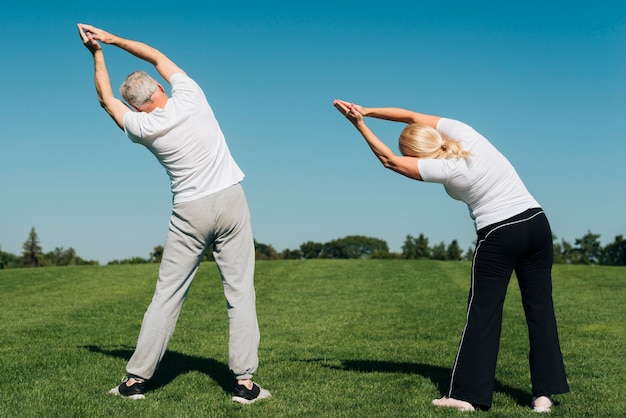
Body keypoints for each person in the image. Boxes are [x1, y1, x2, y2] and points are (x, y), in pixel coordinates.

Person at [333, 99, 569, 412]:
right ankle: (544, 395)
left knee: (483, 313)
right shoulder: (464, 133)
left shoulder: (443, 168)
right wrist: (368, 110)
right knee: (540, 309)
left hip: (499, 234)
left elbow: (389, 161)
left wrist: (359, 124)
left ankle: (467, 395)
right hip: (537, 222)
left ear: (416, 154)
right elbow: (412, 115)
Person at [77, 23, 270, 404]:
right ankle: (245, 385)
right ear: (160, 89)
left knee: (167, 296)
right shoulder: (191, 96)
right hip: (230, 199)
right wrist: (112, 40)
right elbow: (156, 57)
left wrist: (96, 55)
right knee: (240, 293)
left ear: (135, 105)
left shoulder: (141, 125)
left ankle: (135, 382)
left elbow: (104, 99)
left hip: (189, 211)